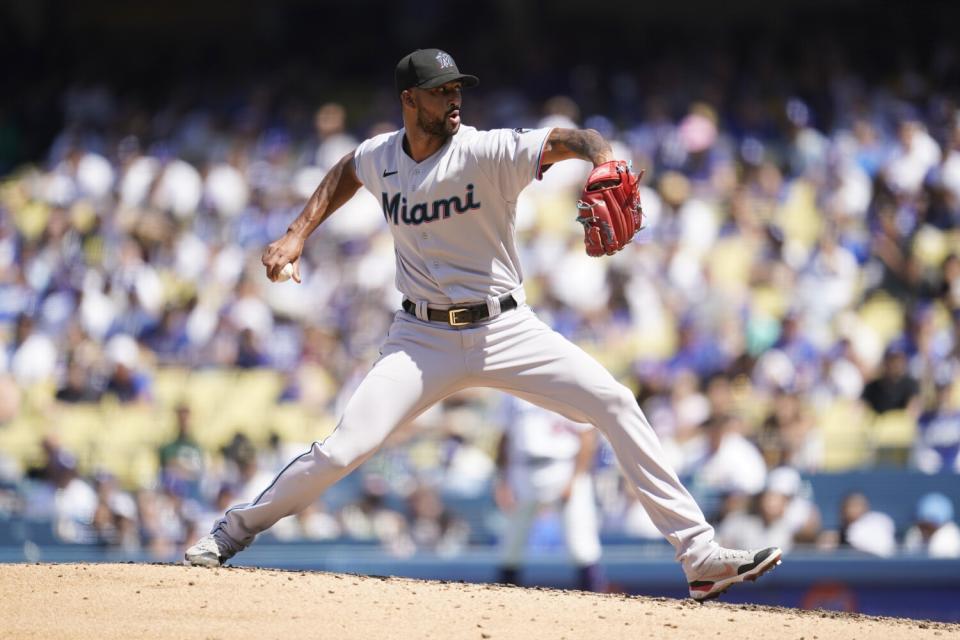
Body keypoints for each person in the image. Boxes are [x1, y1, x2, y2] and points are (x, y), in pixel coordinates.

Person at [185, 48, 781, 600]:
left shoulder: (487, 149)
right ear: (409, 101)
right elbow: (347, 169)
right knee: (343, 450)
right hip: (420, 339)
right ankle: (231, 533)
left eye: (456, 89)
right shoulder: (381, 157)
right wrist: (297, 233)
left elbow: (576, 137)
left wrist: (603, 159)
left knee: (616, 401)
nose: (454, 100)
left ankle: (699, 555)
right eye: (440, 91)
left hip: (506, 328)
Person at [494, 398, 603, 591]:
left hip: (563, 466)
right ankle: (502, 602)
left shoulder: (565, 385)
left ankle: (595, 599)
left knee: (581, 545)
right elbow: (504, 437)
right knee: (511, 547)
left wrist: (574, 479)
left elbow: (587, 436)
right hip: (522, 469)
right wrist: (503, 480)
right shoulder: (510, 391)